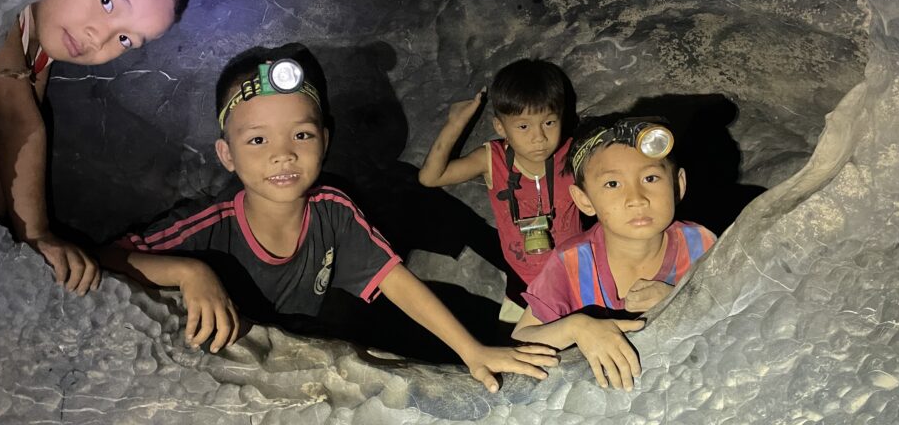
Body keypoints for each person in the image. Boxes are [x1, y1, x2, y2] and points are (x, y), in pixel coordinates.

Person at [98, 44, 559, 393]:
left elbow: (395, 281)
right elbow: (106, 258)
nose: (283, 154)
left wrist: (471, 351)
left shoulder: (332, 209)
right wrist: (188, 270)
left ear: (325, 139)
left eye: (301, 134)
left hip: (308, 344)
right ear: (227, 154)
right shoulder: (208, 225)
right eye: (258, 141)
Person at [0, 0, 194, 296]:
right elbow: (16, 122)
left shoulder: (39, 52)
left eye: (125, 39)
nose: (99, 37)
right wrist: (37, 234)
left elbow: (5, 149)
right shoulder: (5, 11)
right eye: (107, 2)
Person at [511, 117, 716, 391]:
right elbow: (523, 338)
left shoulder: (700, 244)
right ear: (584, 200)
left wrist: (679, 303)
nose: (637, 199)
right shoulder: (572, 261)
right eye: (612, 184)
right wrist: (578, 328)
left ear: (678, 185)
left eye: (650, 178)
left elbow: (736, 313)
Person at [418, 59, 582, 313]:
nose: (538, 137)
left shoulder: (574, 154)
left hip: (577, 275)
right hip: (522, 283)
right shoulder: (492, 159)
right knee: (514, 348)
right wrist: (456, 123)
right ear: (500, 127)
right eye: (524, 126)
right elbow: (430, 178)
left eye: (549, 122)